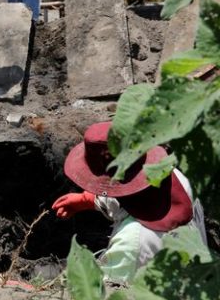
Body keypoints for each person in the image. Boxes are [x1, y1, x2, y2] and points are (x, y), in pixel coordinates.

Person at [52, 121, 207, 284]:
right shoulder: (177, 181)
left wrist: (32, 291)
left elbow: (100, 296)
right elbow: (129, 193)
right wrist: (86, 200)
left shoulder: (131, 244)